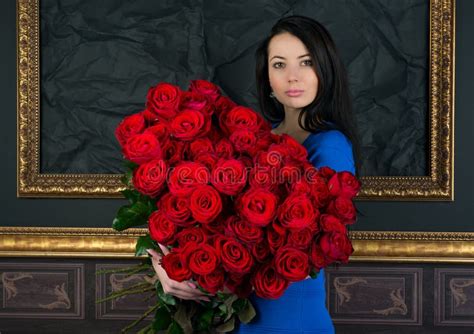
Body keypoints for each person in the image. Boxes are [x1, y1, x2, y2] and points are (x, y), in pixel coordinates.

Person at [147, 14, 360, 334]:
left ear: (325, 71)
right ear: (267, 79)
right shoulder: (260, 141)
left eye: (305, 62)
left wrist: (214, 272)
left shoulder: (329, 146)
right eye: (279, 64)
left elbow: (308, 257)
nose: (292, 76)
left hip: (290, 321)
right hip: (244, 318)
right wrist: (171, 266)